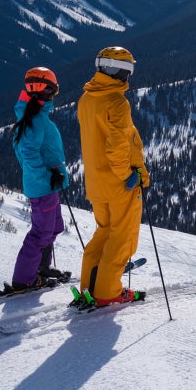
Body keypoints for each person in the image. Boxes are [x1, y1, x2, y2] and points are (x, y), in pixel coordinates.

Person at [76, 46, 149, 307]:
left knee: (103, 232)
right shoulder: (116, 102)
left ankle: (89, 287)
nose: (128, 76)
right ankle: (108, 292)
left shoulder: (87, 99)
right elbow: (118, 147)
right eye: (127, 70)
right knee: (122, 237)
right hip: (118, 183)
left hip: (95, 182)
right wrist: (129, 174)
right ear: (118, 71)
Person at [0, 67, 71, 297]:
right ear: (47, 91)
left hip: (46, 185)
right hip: (42, 188)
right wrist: (47, 176)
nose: (53, 95)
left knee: (55, 227)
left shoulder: (32, 116)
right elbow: (27, 154)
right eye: (53, 90)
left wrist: (52, 175)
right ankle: (24, 281)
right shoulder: (35, 120)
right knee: (41, 233)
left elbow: (24, 151)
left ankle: (40, 268)